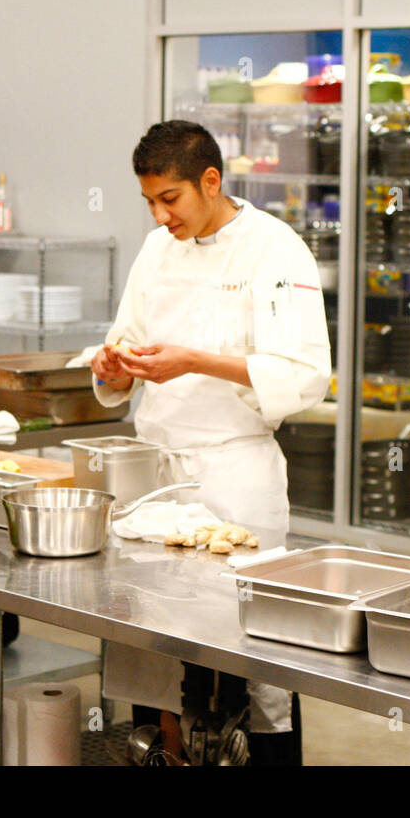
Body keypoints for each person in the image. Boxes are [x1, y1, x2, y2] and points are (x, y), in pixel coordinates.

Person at [91, 120, 331, 764]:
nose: (159, 214)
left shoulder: (274, 251)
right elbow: (124, 342)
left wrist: (196, 360)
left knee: (256, 664)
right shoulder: (155, 251)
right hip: (158, 484)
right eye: (148, 201)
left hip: (235, 477)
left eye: (170, 198)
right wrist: (112, 367)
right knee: (153, 648)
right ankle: (158, 752)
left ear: (211, 181)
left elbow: (307, 374)